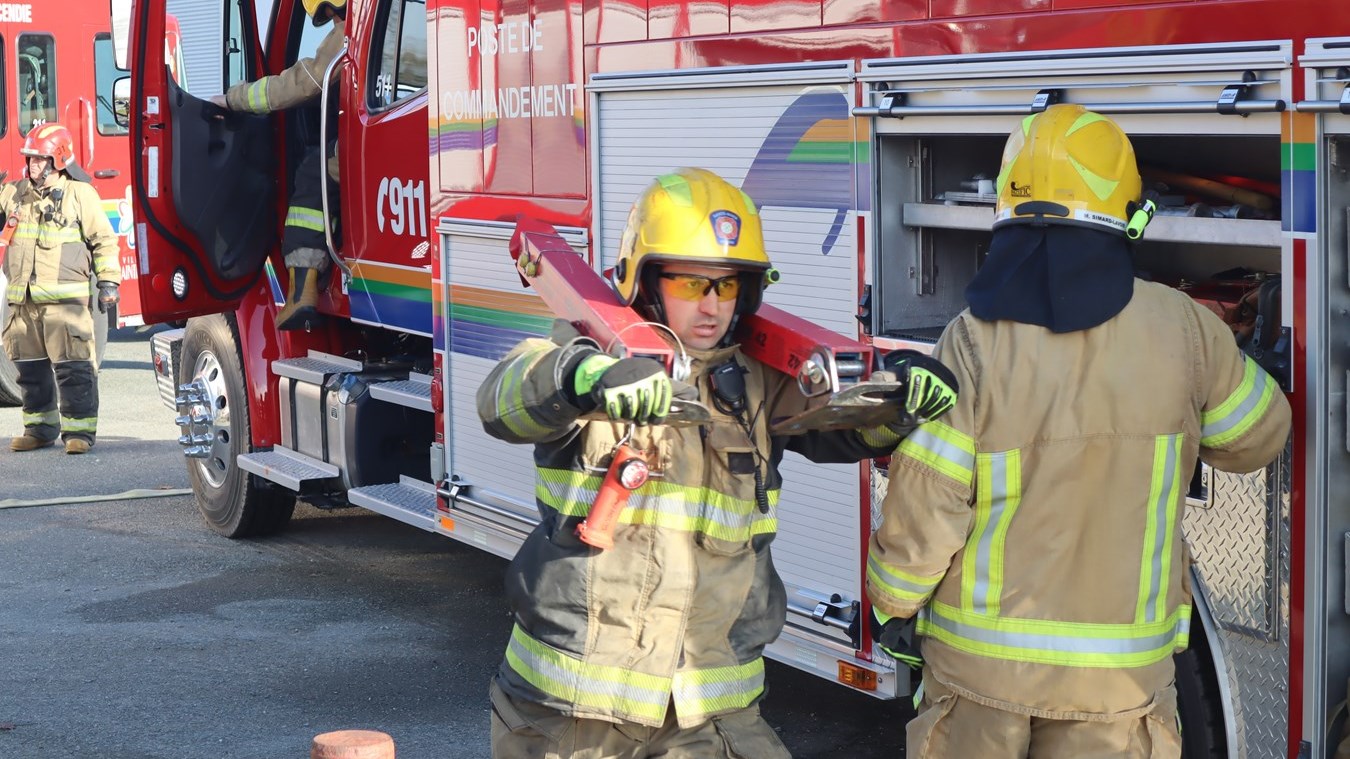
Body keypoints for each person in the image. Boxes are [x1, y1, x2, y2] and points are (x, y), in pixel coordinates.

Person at [477, 167, 959, 758]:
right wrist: (585, 379)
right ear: (644, 281)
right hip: (573, 712)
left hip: (707, 707)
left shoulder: (755, 383)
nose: (711, 306)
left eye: (727, 286)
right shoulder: (584, 360)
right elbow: (503, 400)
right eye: (690, 283)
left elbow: (846, 428)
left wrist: (902, 398)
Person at [865, 104, 1292, 758]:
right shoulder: (1186, 328)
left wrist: (894, 601)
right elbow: (1258, 437)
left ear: (1007, 210)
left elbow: (928, 501)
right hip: (1119, 689)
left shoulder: (970, 340)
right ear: (1130, 214)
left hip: (981, 677)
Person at [208, 0, 346, 331]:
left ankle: (302, 292)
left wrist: (234, 99)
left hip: (375, 145)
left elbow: (304, 82)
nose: (331, 21)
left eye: (328, 13)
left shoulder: (350, 32)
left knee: (314, 174)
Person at [2, 123, 121, 455]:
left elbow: (104, 240)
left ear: (57, 160)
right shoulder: (15, 193)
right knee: (30, 373)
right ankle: (39, 429)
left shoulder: (80, 195)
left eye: (39, 159)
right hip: (24, 305)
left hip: (65, 304)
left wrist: (108, 281)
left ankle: (79, 432)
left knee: (74, 371)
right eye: (30, 159)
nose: (32, 165)